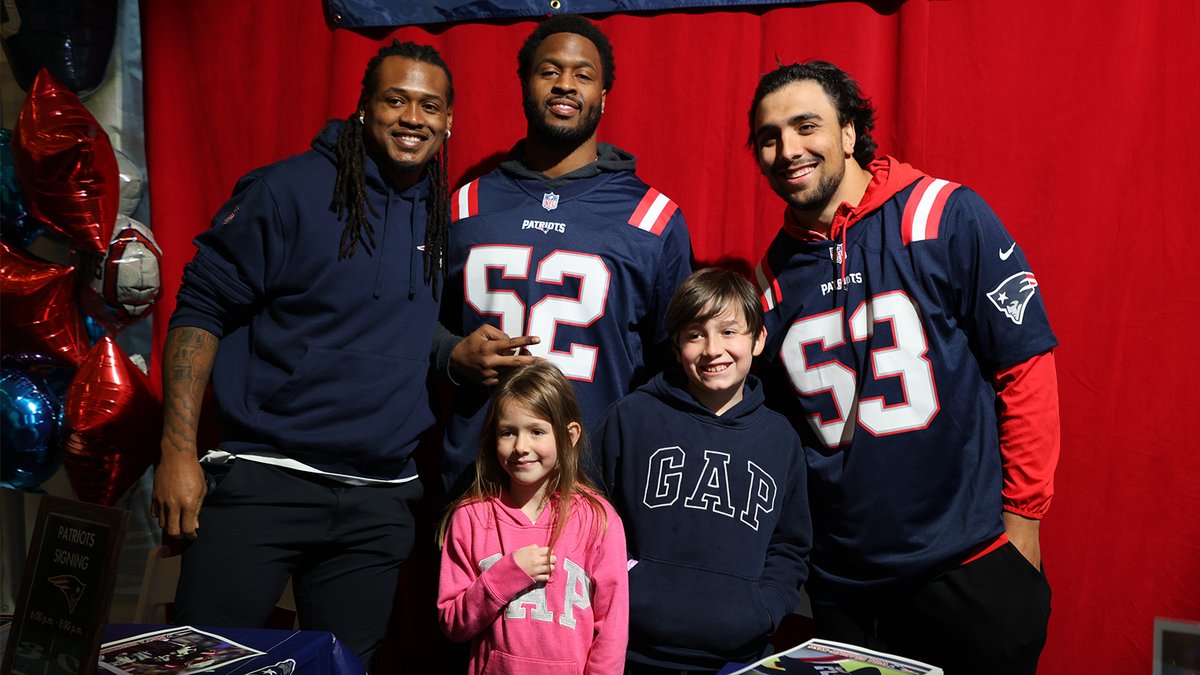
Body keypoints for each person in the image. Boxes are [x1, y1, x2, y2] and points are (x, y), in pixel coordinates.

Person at [746, 61, 1060, 674]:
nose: (787, 150)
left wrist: (1021, 531)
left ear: (848, 131)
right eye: (768, 136)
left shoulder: (945, 215)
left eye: (805, 126)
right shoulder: (770, 281)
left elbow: (1025, 366)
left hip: (967, 566)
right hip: (846, 591)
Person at [150, 40, 454, 666]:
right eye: (395, 100)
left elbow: (393, 322)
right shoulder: (288, 190)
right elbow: (200, 310)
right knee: (204, 661)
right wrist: (177, 452)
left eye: (430, 105)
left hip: (378, 497)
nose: (412, 118)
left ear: (449, 121)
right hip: (265, 478)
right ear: (365, 107)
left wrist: (455, 354)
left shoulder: (442, 217)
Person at [435, 14, 693, 500]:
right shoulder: (465, 205)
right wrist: (453, 354)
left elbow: (674, 365)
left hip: (593, 487)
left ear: (603, 96)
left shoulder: (652, 217)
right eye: (549, 71)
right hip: (477, 483)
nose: (565, 85)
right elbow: (410, 323)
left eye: (583, 74)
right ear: (525, 85)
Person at [592, 267, 811, 674]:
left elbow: (790, 547)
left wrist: (762, 609)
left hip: (736, 658)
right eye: (695, 335)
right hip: (628, 651)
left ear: (759, 339)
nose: (713, 349)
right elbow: (585, 515)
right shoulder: (632, 417)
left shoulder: (781, 440)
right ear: (676, 347)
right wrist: (624, 585)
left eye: (729, 332)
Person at [437, 360, 628, 675]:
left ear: (569, 436)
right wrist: (506, 574)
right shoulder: (471, 517)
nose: (521, 447)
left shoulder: (599, 520)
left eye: (536, 431)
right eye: (508, 432)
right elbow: (452, 623)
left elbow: (612, 629)